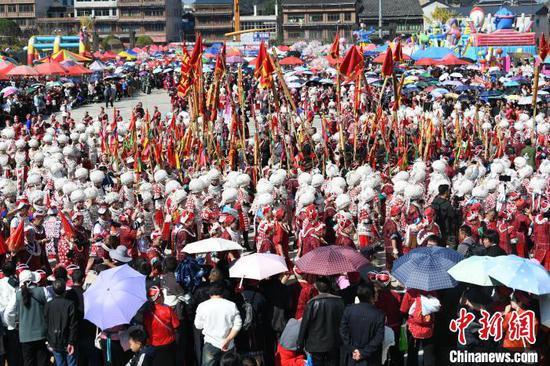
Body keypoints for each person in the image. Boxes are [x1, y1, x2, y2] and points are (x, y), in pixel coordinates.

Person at [5, 270, 50, 366]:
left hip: (25, 335)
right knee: (42, 362)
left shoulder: (17, 295)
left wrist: (13, 325)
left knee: (28, 362)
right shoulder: (43, 290)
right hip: (42, 333)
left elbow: (8, 313)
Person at [297, 276, 345, 366]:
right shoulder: (339, 301)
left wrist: (300, 342)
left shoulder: (312, 303)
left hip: (316, 344)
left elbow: (305, 324)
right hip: (334, 342)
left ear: (316, 287)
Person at [194, 282, 242, 366]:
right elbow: (238, 324)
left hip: (210, 342)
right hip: (229, 344)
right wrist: (227, 340)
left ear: (209, 294)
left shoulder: (202, 306)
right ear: (223, 293)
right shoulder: (231, 305)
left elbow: (198, 325)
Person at [340, 283, 385, 366]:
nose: (377, 294)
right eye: (376, 292)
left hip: (352, 356)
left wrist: (353, 349)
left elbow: (343, 332)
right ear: (371, 296)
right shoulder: (379, 314)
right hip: (370, 357)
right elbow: (378, 337)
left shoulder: (348, 310)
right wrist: (363, 352)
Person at [44, 278, 78, 366]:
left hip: (54, 340)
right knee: (71, 363)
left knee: (60, 363)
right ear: (64, 290)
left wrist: (49, 340)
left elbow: (46, 323)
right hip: (67, 340)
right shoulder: (70, 304)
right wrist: (71, 342)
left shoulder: (48, 305)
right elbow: (73, 325)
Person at [143, 286, 179, 366]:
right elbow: (176, 325)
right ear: (159, 296)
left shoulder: (146, 313)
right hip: (168, 345)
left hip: (153, 346)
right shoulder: (167, 309)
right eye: (162, 294)